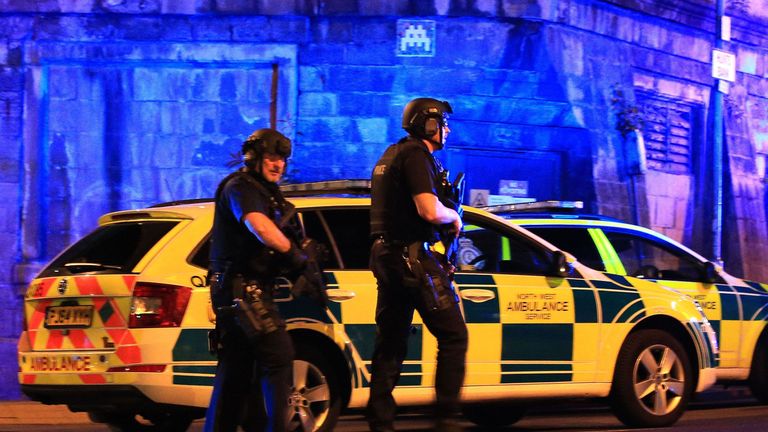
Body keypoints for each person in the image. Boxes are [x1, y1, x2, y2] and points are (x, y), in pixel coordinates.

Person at [367, 97, 469, 432]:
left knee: (391, 341)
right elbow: (427, 209)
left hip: (387, 256)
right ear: (428, 124)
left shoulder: (391, 154)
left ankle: (380, 422)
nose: (447, 130)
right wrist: (451, 215)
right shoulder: (415, 154)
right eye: (443, 123)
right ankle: (447, 421)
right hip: (411, 258)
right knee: (454, 336)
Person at [205, 128, 309, 432]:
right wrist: (294, 255)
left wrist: (303, 265)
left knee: (237, 371)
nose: (278, 164)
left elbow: (282, 233)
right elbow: (259, 226)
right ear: (254, 158)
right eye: (271, 158)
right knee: (278, 356)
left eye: (281, 159)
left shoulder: (267, 192)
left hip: (247, 289)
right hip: (241, 290)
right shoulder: (241, 187)